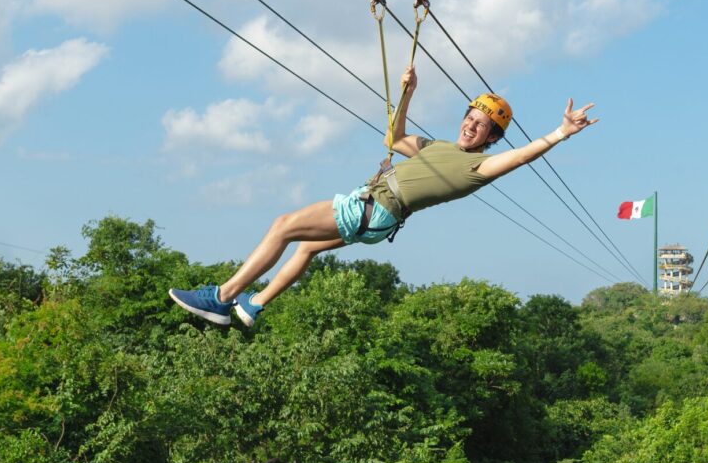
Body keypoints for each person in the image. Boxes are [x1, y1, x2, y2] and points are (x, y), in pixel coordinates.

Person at [168, 64, 598, 327]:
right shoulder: (436, 148)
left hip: (372, 209)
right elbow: (395, 136)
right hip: (377, 219)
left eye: (481, 125)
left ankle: (222, 299)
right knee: (303, 248)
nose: (470, 125)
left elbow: (523, 156)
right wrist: (408, 92)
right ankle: (255, 304)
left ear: (491, 138)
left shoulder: (479, 167)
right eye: (469, 117)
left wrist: (561, 132)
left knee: (282, 226)